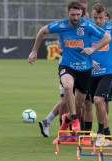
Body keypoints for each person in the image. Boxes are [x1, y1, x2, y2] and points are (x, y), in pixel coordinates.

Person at [28, 1, 111, 142]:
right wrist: (34, 51)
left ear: (82, 14)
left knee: (80, 104)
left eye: (78, 15)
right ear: (68, 13)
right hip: (67, 66)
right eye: (73, 15)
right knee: (67, 86)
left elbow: (107, 37)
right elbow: (42, 30)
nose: (76, 18)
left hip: (85, 70)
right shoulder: (61, 25)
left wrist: (93, 49)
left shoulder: (87, 25)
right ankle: (73, 118)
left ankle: (70, 118)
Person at [81, 3, 112, 146]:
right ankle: (107, 136)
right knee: (97, 103)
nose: (98, 21)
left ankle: (101, 134)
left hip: (108, 72)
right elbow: (81, 46)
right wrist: (90, 60)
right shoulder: (89, 28)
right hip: (90, 72)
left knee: (99, 101)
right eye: (95, 18)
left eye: (100, 18)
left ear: (105, 16)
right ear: (91, 16)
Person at [38, 0, 89, 138]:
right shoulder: (64, 24)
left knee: (78, 102)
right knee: (65, 98)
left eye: (85, 5)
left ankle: (49, 121)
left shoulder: (87, 22)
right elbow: (61, 44)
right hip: (67, 64)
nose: (77, 16)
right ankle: (62, 131)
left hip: (84, 67)